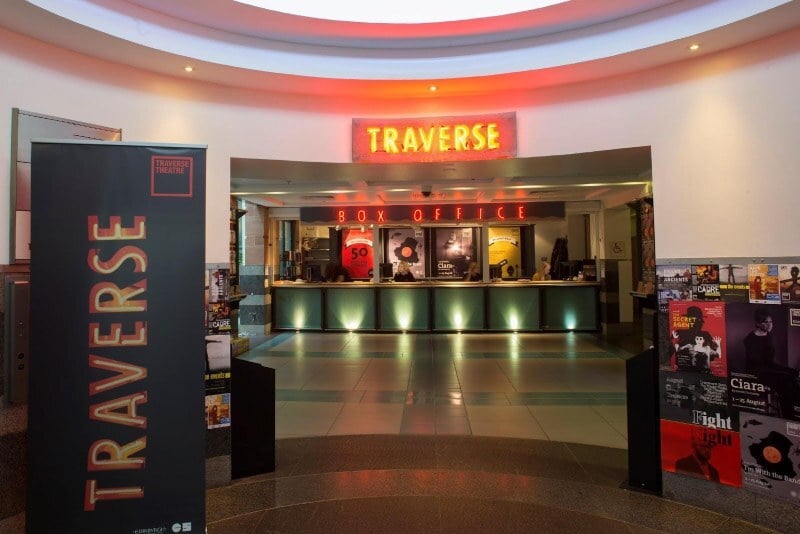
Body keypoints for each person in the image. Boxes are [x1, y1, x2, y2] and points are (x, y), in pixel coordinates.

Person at [744, 308, 800, 419]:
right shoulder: (750, 339)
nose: (770, 325)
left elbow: (770, 362)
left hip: (767, 369)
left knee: (792, 377)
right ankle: (789, 416)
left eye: (771, 322)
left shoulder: (768, 336)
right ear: (758, 323)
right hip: (756, 372)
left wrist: (792, 371)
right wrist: (784, 373)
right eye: (766, 322)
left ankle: (794, 410)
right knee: (785, 381)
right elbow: (760, 365)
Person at [670, 305, 721, 372]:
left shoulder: (706, 335)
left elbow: (715, 355)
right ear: (688, 320)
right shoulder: (678, 333)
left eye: (699, 320)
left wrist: (717, 345)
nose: (699, 323)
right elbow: (669, 353)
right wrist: (674, 340)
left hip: (702, 371)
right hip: (683, 370)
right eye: (696, 320)